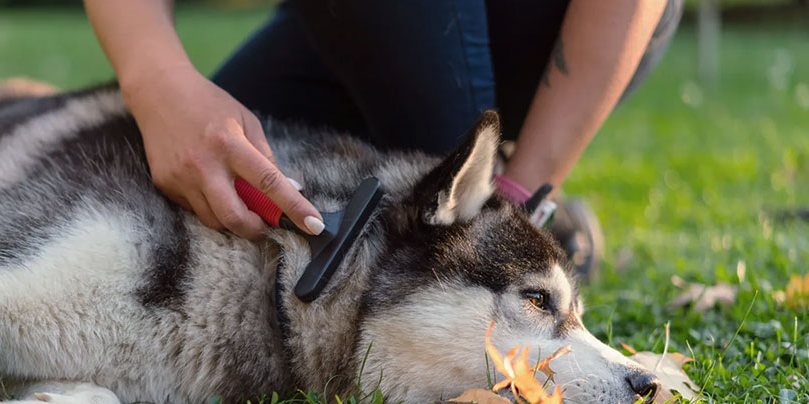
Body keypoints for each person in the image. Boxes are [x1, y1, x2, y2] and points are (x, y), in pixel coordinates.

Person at [84, 0, 682, 278]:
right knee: (190, 188)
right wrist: (161, 85)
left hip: (554, 21)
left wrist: (521, 196)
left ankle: (524, 197)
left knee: (446, 241)